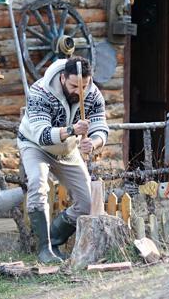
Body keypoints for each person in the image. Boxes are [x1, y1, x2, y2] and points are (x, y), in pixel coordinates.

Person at [17, 56, 108, 263]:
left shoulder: (92, 94)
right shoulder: (40, 92)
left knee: (87, 203)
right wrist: (72, 130)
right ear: (62, 79)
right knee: (38, 185)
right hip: (35, 146)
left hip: (68, 150)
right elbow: (42, 135)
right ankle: (44, 250)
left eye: (84, 86)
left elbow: (101, 127)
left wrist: (93, 142)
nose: (79, 91)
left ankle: (54, 239)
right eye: (74, 85)